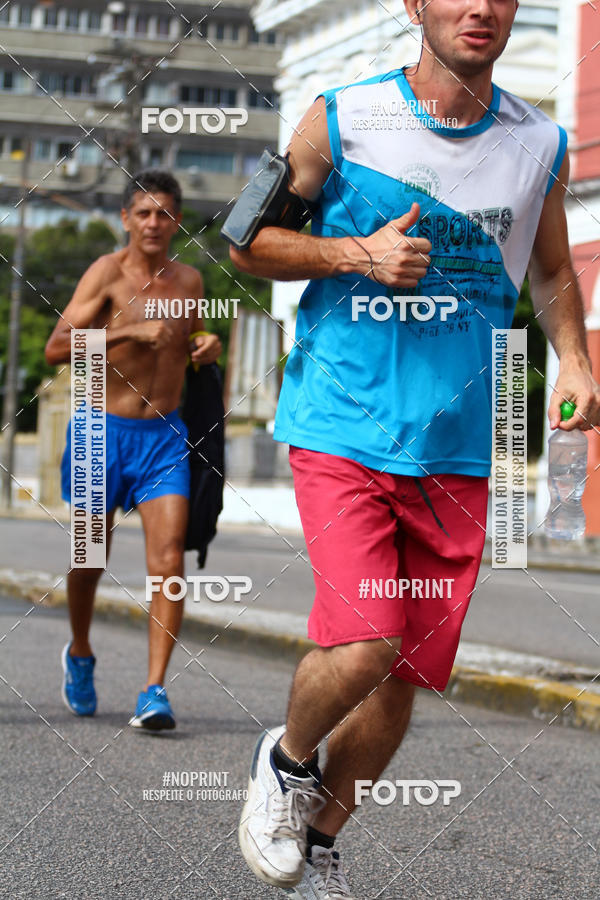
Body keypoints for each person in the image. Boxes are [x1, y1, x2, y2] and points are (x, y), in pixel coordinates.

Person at [229, 1, 600, 896]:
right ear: (414, 5)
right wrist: (355, 254)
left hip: (457, 449)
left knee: (403, 677)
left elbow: (550, 269)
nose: (481, 8)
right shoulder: (341, 114)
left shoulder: (538, 143)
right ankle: (283, 763)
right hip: (343, 427)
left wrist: (578, 361)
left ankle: (320, 839)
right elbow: (246, 243)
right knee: (367, 640)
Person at [45, 170, 222, 731]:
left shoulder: (190, 279)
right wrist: (125, 334)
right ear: (126, 219)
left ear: (176, 221)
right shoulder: (106, 273)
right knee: (89, 558)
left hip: (163, 437)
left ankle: (154, 690)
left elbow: (189, 348)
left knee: (168, 562)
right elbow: (56, 348)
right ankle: (78, 650)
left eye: (164, 213)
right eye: (143, 212)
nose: (153, 222)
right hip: (103, 430)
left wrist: (207, 346)